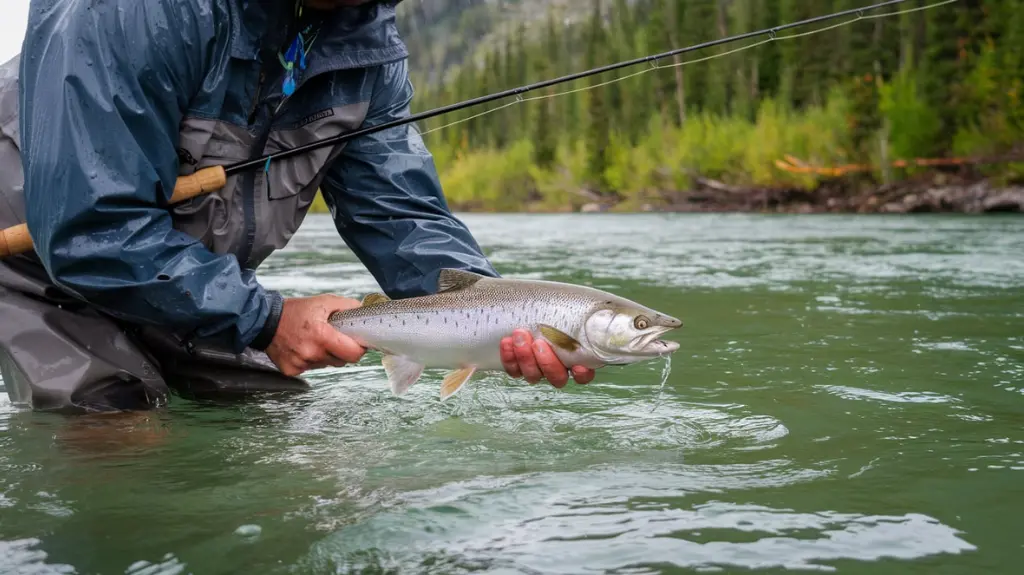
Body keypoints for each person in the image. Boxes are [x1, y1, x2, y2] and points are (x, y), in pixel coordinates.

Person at [0, 0, 595, 413]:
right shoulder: (135, 12)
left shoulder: (367, 46)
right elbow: (93, 227)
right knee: (118, 427)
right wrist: (265, 320)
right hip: (40, 267)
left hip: (189, 279)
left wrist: (492, 315)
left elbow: (401, 215)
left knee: (271, 426)